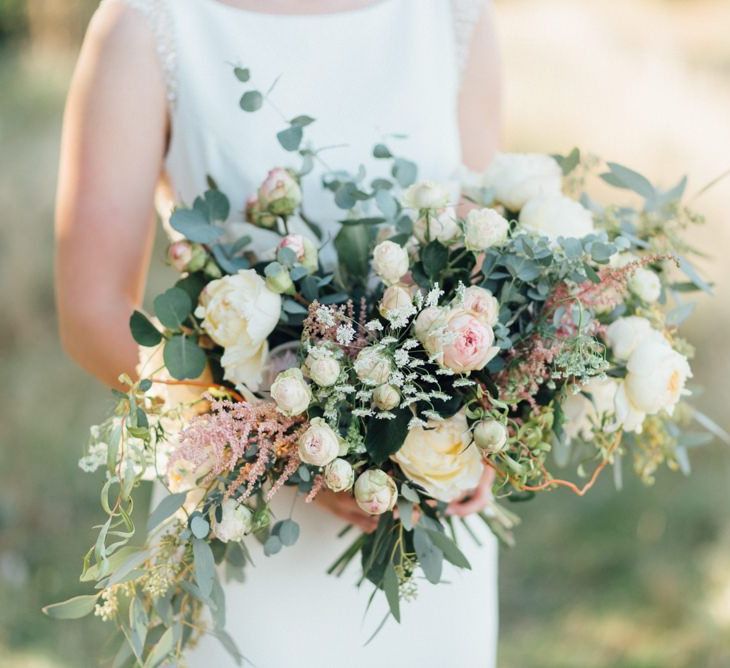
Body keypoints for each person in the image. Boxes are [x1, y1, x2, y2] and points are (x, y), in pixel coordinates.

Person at [55, 1, 502, 665]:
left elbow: (479, 260)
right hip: (243, 517)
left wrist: (491, 416)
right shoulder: (150, 23)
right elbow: (91, 310)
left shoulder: (452, 16)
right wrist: (290, 450)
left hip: (422, 526)